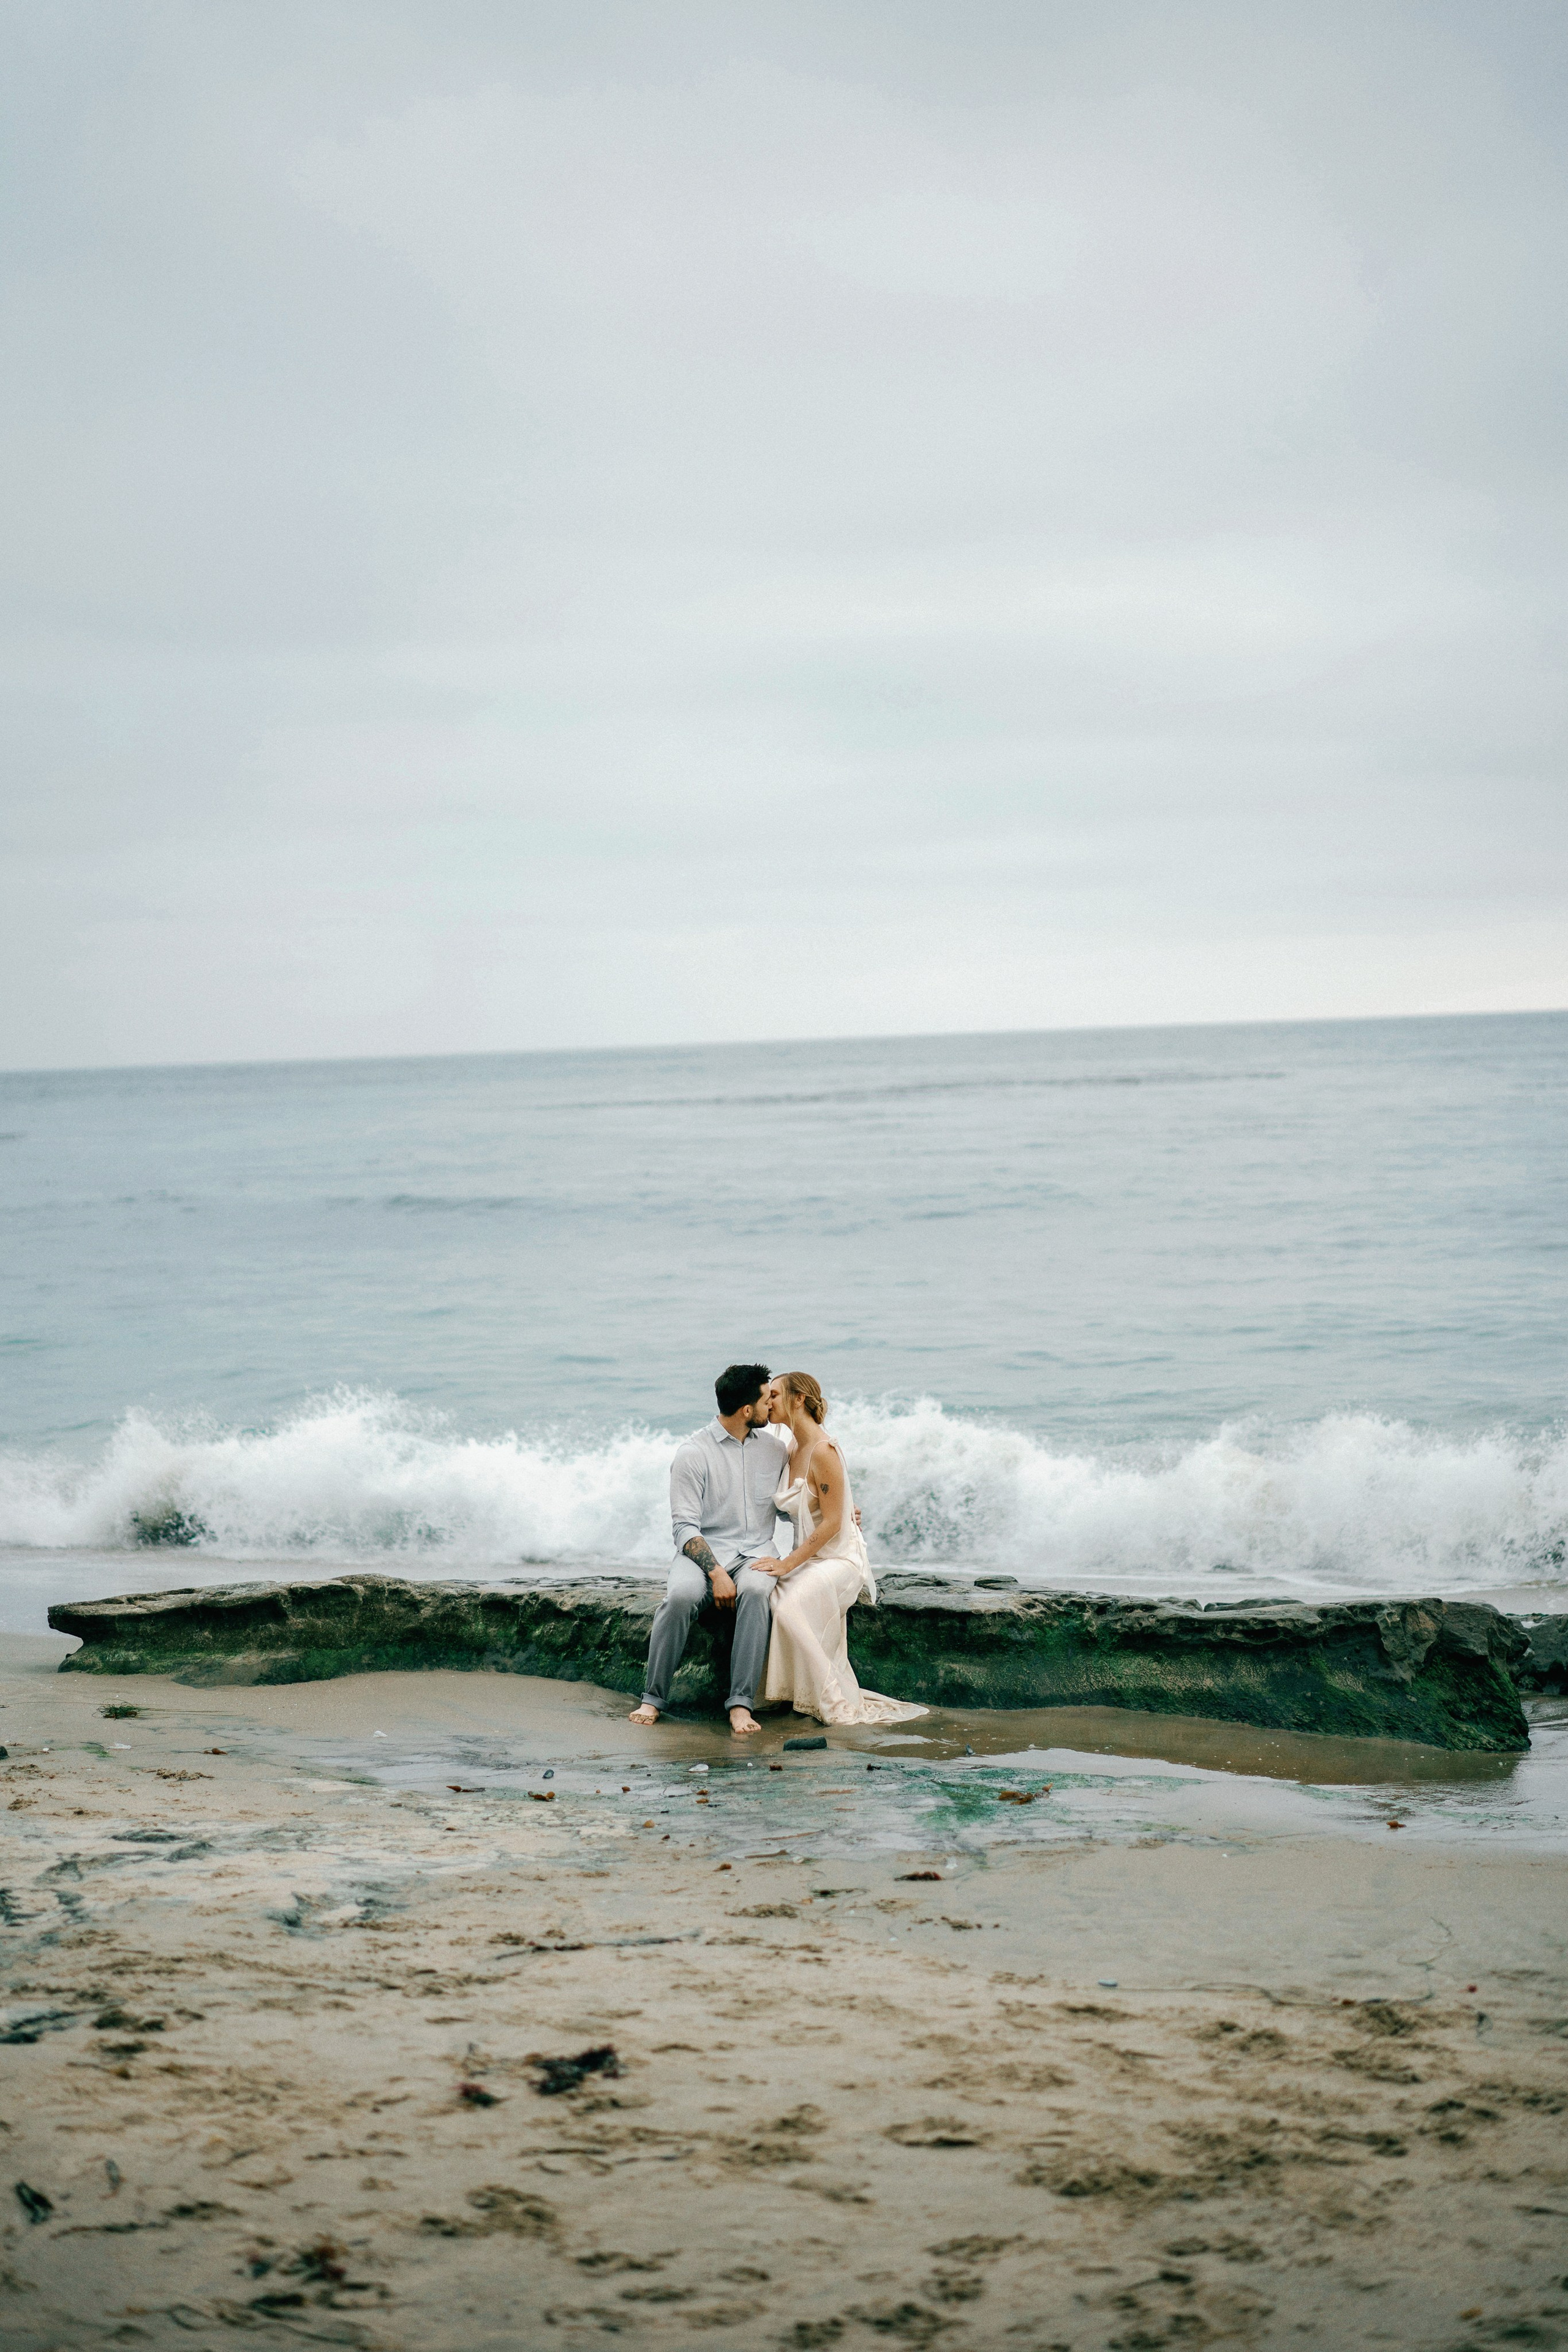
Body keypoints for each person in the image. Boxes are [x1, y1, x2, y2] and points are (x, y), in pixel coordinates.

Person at [758, 1371, 926, 1727]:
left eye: (773, 1394)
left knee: (789, 1607)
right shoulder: (791, 1450)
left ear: (798, 1399)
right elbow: (817, 1507)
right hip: (810, 1556)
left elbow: (833, 1525)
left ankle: (833, 1700)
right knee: (770, 1597)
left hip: (839, 1558)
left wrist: (787, 1564)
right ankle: (791, 1694)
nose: (767, 1401)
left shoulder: (824, 1449)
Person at [628, 1363, 788, 1738]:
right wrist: (716, 1573)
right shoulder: (693, 1452)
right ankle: (653, 1697)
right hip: (703, 1556)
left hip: (755, 1553)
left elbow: (788, 1505)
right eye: (766, 1400)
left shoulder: (777, 1450)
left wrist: (839, 1512)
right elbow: (684, 1527)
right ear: (747, 1410)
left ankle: (740, 1704)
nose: (771, 1408)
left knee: (755, 1591)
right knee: (681, 1596)